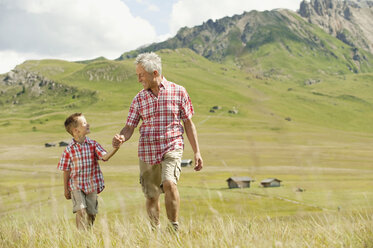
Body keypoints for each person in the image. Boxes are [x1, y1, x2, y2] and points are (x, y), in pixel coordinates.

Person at [112, 52, 203, 232]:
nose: (138, 79)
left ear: (154, 73)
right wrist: (122, 136)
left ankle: (173, 229)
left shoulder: (179, 91)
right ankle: (155, 233)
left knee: (169, 182)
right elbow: (129, 126)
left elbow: (188, 123)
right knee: (152, 196)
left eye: (141, 75)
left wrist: (197, 151)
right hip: (147, 151)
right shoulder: (138, 99)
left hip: (172, 145)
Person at [58, 113, 122, 230]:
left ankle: (88, 233)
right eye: (84, 123)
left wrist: (115, 148)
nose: (88, 124)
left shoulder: (93, 144)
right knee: (81, 211)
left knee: (91, 213)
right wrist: (65, 189)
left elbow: (105, 157)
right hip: (76, 186)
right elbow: (66, 170)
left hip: (91, 185)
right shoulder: (68, 150)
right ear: (76, 131)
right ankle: (81, 236)